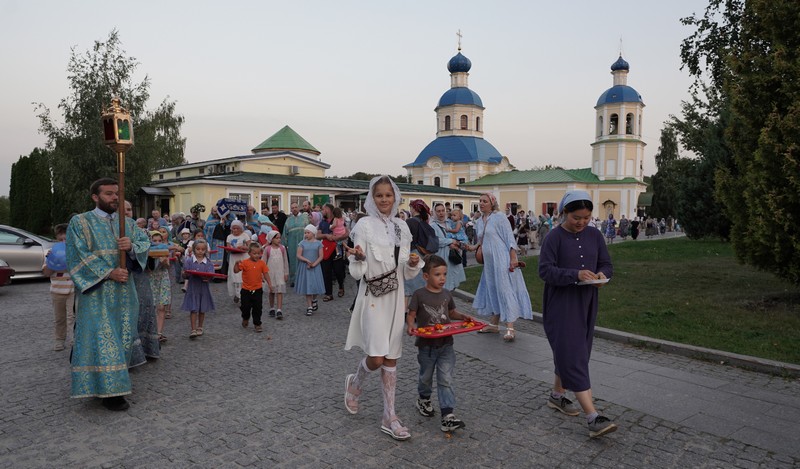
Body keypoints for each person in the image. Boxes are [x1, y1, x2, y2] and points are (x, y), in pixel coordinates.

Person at [343, 175, 423, 441]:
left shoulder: (402, 227)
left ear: (395, 197)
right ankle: (356, 382)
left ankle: (390, 415)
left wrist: (413, 263)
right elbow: (357, 272)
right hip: (373, 298)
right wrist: (359, 258)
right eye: (379, 195)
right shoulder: (364, 226)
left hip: (396, 297)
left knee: (391, 357)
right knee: (376, 358)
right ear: (372, 197)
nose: (384, 199)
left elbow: (407, 272)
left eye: (388, 195)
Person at [65, 178, 149, 411]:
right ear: (95, 197)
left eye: (117, 194)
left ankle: (114, 381)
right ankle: (111, 393)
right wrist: (109, 272)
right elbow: (77, 254)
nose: (115, 198)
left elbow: (144, 243)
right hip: (97, 294)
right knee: (102, 339)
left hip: (125, 293)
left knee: (122, 337)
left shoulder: (128, 223)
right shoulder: (80, 222)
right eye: (109, 194)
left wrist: (131, 247)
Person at [538, 190, 616, 438]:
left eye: (586, 217)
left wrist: (602, 275)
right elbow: (545, 271)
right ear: (565, 213)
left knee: (575, 351)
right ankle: (593, 417)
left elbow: (606, 264)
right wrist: (575, 274)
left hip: (587, 302)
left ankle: (557, 395)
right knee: (574, 356)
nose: (582, 222)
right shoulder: (554, 237)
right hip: (562, 304)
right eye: (576, 217)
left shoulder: (595, 235)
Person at [405, 255, 471, 432]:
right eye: (437, 275)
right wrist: (410, 325)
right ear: (426, 276)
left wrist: (463, 316)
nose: (442, 278)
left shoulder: (447, 294)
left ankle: (447, 415)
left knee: (446, 379)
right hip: (426, 346)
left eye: (444, 274)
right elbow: (411, 314)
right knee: (425, 377)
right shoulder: (419, 295)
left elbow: (452, 312)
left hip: (446, 345)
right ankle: (423, 399)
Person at [467, 192, 533, 341]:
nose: (481, 203)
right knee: (492, 289)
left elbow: (510, 239)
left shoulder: (500, 217)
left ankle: (510, 327)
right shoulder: (480, 220)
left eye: (485, 201)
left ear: (492, 203)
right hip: (489, 263)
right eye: (480, 201)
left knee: (504, 289)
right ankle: (494, 324)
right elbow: (482, 240)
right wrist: (473, 247)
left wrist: (513, 259)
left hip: (502, 259)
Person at [125, 201, 159, 364]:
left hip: (139, 278)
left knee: (144, 310)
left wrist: (131, 248)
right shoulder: (107, 229)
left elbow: (146, 247)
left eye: (129, 209)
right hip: (120, 279)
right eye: (124, 210)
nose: (127, 212)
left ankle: (146, 349)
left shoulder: (138, 231)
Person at [42, 223, 74, 351]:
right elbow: (46, 273)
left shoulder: (75, 252)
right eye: (61, 240)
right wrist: (51, 260)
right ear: (56, 239)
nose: (63, 242)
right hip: (57, 290)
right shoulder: (51, 253)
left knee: (72, 317)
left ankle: (74, 339)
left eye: (66, 239)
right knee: (59, 318)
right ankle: (59, 339)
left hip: (73, 289)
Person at [181, 239, 216, 338]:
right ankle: (193, 329)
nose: (200, 251)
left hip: (203, 288)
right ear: (194, 249)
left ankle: (200, 327)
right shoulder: (189, 261)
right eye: (198, 249)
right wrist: (185, 274)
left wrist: (207, 278)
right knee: (193, 308)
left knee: (202, 308)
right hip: (192, 287)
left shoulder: (208, 262)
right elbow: (185, 275)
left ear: (206, 250)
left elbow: (211, 275)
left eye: (203, 249)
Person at [234, 243, 271, 333]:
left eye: (258, 253)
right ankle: (245, 318)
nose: (257, 255)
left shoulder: (261, 263)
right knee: (245, 307)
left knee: (257, 308)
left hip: (257, 289)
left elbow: (266, 273)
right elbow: (236, 271)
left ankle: (257, 324)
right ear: (249, 253)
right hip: (246, 290)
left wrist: (270, 284)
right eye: (254, 253)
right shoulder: (245, 262)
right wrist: (236, 264)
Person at [404, 199, 436, 300]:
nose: (410, 210)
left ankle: (407, 309)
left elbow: (404, 239)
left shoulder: (410, 221)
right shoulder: (424, 222)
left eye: (411, 207)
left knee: (407, 287)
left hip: (412, 253)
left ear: (414, 209)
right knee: (420, 281)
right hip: (423, 253)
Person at [430, 203, 465, 291]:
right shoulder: (432, 226)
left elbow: (458, 234)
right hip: (442, 256)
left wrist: (457, 243)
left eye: (443, 210)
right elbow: (436, 241)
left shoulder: (449, 223)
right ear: (435, 213)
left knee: (453, 280)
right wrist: (450, 241)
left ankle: (449, 296)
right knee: (443, 280)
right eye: (438, 211)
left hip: (452, 255)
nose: (441, 213)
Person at [317, 203, 348, 301]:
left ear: (328, 210)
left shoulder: (338, 219)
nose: (322, 211)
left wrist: (338, 237)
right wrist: (326, 235)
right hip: (326, 248)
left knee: (338, 270)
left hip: (337, 248)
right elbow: (318, 235)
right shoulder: (322, 222)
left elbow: (347, 233)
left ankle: (341, 286)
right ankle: (328, 294)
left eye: (323, 209)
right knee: (326, 271)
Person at [295, 225, 325, 316]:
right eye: (305, 233)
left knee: (315, 285)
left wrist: (314, 264)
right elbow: (298, 255)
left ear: (313, 233)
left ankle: (314, 299)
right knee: (308, 286)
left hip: (315, 267)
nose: (306, 234)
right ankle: (309, 306)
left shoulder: (318, 244)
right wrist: (306, 261)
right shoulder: (302, 243)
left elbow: (321, 256)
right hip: (305, 267)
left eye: (308, 232)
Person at [148, 230, 172, 343]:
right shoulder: (147, 252)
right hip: (151, 279)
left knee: (161, 307)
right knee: (151, 306)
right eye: (154, 240)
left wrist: (164, 262)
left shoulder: (164, 251)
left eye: (159, 240)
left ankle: (159, 333)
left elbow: (168, 266)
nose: (157, 243)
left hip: (162, 278)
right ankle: (151, 332)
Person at [263, 230, 289, 320]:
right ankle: (272, 308)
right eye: (277, 238)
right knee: (271, 291)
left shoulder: (282, 248)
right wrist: (263, 274)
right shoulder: (267, 249)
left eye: (279, 238)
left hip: (280, 273)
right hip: (270, 273)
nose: (279, 240)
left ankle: (279, 309)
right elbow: (263, 262)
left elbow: (285, 261)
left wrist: (286, 273)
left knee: (280, 291)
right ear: (271, 239)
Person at [282, 202, 309, 287]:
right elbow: (285, 233)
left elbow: (309, 230)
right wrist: (285, 244)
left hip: (303, 243)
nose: (294, 209)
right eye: (292, 208)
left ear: (298, 208)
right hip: (292, 244)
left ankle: (304, 279)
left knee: (303, 260)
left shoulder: (305, 218)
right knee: (293, 261)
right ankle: (293, 279)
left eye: (295, 207)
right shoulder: (288, 220)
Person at [226, 220, 251, 303]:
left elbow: (250, 247)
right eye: (234, 228)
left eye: (237, 228)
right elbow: (228, 248)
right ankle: (237, 294)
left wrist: (244, 248)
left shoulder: (245, 235)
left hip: (243, 257)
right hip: (234, 257)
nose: (235, 230)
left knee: (243, 275)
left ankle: (243, 294)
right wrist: (231, 249)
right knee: (234, 275)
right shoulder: (229, 237)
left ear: (241, 228)